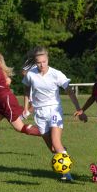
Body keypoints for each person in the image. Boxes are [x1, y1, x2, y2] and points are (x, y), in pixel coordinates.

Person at [22, 46, 83, 182]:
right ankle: (63, 154)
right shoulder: (30, 74)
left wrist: (79, 108)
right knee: (52, 148)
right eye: (38, 62)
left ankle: (67, 175)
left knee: (56, 142)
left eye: (44, 61)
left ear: (48, 59)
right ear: (35, 62)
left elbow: (69, 91)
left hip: (54, 110)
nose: (41, 65)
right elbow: (26, 90)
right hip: (39, 113)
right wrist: (26, 108)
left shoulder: (56, 74)